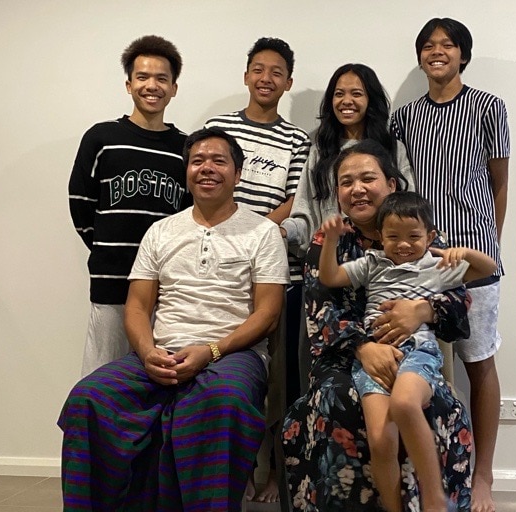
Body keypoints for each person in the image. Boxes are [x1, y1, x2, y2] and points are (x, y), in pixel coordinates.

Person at [58, 127, 289, 512]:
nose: (207, 168)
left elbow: (268, 313)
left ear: (238, 172)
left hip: (234, 353)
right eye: (198, 161)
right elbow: (136, 306)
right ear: (187, 170)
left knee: (222, 400)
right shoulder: (161, 231)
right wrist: (147, 353)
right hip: (161, 350)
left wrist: (211, 351)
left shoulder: (263, 233)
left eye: (219, 160)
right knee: (88, 399)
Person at [283, 140, 474, 512]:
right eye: (346, 182)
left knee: (439, 405)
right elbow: (320, 311)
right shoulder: (329, 241)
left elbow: (458, 305)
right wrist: (363, 347)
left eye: (367, 178)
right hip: (343, 357)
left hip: (415, 351)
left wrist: (423, 312)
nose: (357, 189)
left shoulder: (422, 233)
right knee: (336, 402)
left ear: (392, 184)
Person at [390, 17, 511, 512]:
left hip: (476, 256)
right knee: (426, 366)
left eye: (448, 45)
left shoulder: (489, 106)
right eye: (428, 45)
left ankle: (483, 477)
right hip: (420, 261)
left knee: (478, 363)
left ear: (463, 54)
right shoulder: (404, 116)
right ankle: (435, 476)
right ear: (420, 57)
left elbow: (500, 181)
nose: (437, 52)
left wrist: (492, 245)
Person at [318, 191, 496, 512]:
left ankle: (434, 499)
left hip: (419, 351)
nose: (403, 244)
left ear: (429, 237)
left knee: (404, 404)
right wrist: (330, 240)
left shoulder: (437, 265)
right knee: (381, 439)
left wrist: (465, 251)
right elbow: (330, 277)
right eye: (393, 237)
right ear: (380, 238)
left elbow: (488, 268)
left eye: (413, 237)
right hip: (375, 358)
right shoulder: (372, 264)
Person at [204, 36, 311, 503]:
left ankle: (271, 470)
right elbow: (207, 183)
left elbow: (295, 199)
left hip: (273, 267)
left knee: (277, 377)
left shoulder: (297, 139)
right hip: (220, 273)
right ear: (246, 74)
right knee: (227, 368)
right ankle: (234, 466)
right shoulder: (219, 127)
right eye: (258, 69)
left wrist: (254, 231)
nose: (266, 78)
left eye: (276, 72)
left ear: (289, 82)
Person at [68, 35, 191, 377]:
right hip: (112, 280)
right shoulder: (101, 138)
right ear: (128, 84)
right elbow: (81, 204)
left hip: (168, 289)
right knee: (102, 378)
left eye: (161, 78)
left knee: (160, 379)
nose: (152, 86)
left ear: (174, 87)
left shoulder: (185, 149)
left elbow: (188, 215)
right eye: (143, 77)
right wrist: (108, 250)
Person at [280, 63, 415, 258]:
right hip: (331, 263)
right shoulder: (320, 150)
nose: (346, 101)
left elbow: (409, 208)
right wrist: (282, 232)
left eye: (357, 94)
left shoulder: (393, 148)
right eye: (339, 94)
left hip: (387, 262)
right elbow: (304, 213)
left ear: (371, 99)